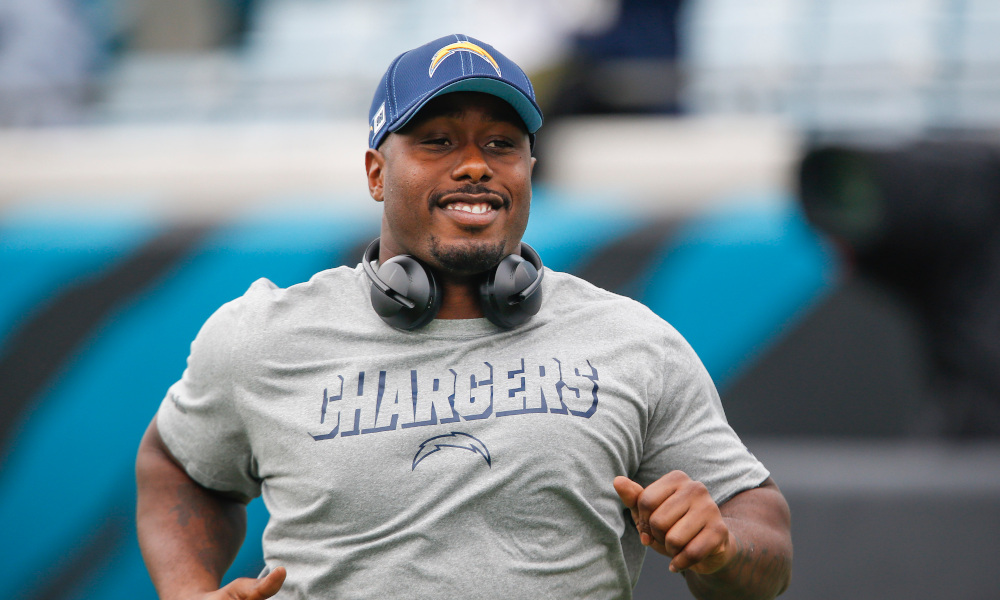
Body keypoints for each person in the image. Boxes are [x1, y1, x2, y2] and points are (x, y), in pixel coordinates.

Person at [136, 34, 792, 599]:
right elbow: (175, 466)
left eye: (501, 144)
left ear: (529, 170)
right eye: (439, 141)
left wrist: (725, 547)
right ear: (375, 172)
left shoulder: (632, 341)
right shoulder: (263, 338)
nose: (475, 165)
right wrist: (191, 590)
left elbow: (760, 524)